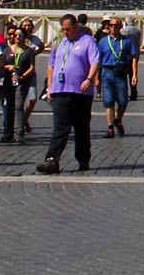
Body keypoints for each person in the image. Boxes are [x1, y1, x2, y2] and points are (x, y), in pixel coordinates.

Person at [37, 13, 99, 174]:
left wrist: (89, 79)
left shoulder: (87, 41)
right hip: (60, 90)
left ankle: (83, 159)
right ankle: (52, 159)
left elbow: (95, 62)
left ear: (75, 26)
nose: (65, 32)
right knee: (60, 126)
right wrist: (49, 87)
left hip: (80, 92)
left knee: (81, 128)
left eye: (68, 29)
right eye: (63, 29)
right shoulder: (58, 42)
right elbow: (51, 65)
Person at [97, 18, 136, 138]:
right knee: (108, 101)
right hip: (107, 72)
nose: (113, 27)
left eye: (115, 25)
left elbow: (134, 57)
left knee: (123, 101)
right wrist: (95, 78)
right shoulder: (103, 42)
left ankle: (118, 119)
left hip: (121, 73)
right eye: (111, 25)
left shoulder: (127, 41)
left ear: (120, 26)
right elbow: (97, 61)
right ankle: (110, 128)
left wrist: (134, 74)